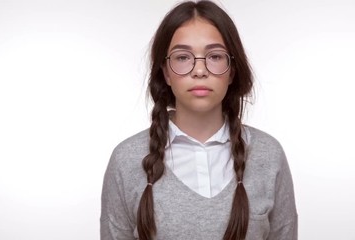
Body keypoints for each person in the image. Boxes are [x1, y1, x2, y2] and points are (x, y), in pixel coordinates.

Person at [100, 1, 297, 239]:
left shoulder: (269, 154)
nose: (199, 70)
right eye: (183, 57)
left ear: (232, 70)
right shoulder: (127, 160)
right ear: (166, 72)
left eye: (214, 56)